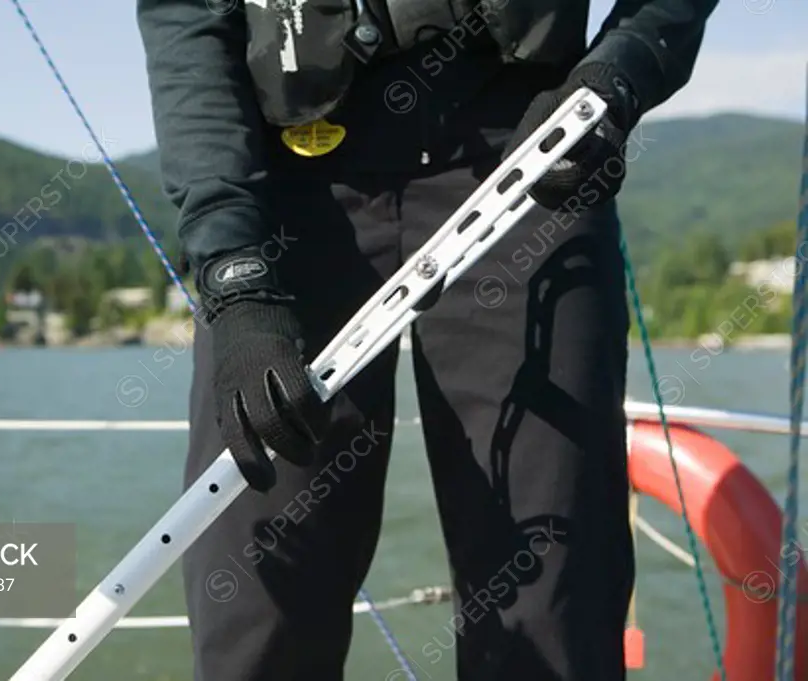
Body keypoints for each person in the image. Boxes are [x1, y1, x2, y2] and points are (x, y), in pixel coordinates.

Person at [138, 1, 717, 679]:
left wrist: (620, 74)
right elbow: (187, 16)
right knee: (259, 591)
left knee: (551, 592)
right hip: (287, 186)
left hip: (531, 151)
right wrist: (233, 272)